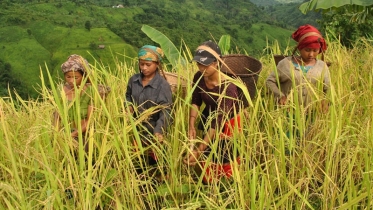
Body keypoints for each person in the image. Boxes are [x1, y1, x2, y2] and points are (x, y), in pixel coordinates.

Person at [184, 40, 242, 184]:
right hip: (208, 117)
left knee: (224, 154)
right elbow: (196, 100)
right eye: (199, 64)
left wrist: (198, 150)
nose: (201, 68)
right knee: (208, 154)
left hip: (227, 123)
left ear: (216, 62)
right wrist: (191, 124)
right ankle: (209, 183)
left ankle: (227, 185)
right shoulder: (199, 77)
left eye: (206, 64)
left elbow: (218, 122)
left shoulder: (228, 87)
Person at [266, 24, 330, 139]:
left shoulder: (322, 66)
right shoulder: (285, 64)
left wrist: (325, 102)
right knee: (287, 142)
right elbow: (270, 81)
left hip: (312, 114)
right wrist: (280, 96)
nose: (311, 54)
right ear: (300, 48)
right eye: (307, 50)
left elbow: (328, 88)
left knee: (308, 142)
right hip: (288, 113)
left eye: (315, 50)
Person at [125, 45, 173, 179]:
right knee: (138, 166)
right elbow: (128, 96)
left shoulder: (162, 85)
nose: (144, 68)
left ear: (157, 64)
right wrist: (128, 106)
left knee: (155, 168)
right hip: (136, 130)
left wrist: (159, 131)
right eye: (141, 64)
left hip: (154, 132)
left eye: (148, 64)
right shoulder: (133, 80)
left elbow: (166, 110)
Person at [53, 54, 94, 153]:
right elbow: (56, 115)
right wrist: (57, 136)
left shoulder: (91, 92)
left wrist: (73, 135)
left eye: (76, 78)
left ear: (83, 76)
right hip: (64, 134)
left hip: (84, 136)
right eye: (68, 77)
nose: (71, 81)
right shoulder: (61, 90)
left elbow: (90, 119)